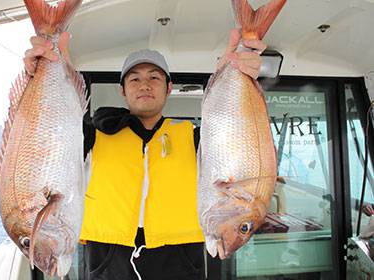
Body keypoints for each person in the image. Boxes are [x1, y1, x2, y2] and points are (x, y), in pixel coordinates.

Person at [24, 28, 266, 280]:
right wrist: (37, 76)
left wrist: (235, 71)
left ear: (169, 87)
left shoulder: (196, 139)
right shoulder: (92, 136)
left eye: (154, 78)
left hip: (180, 259)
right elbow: (43, 136)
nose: (145, 86)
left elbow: (240, 136)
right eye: (134, 79)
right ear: (123, 90)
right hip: (107, 259)